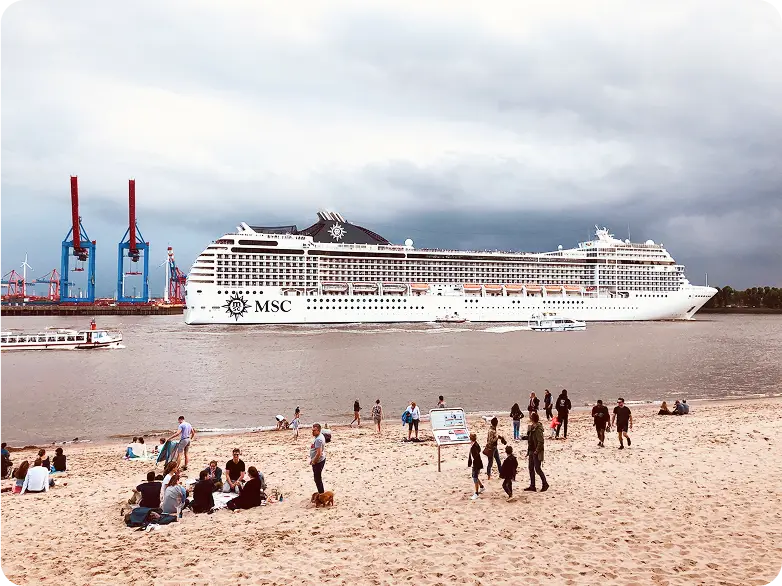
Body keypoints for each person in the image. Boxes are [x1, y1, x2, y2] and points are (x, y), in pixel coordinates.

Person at [524, 412, 548, 492]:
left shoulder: (538, 429)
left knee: (537, 469)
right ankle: (532, 486)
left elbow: (541, 441)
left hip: (536, 452)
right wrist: (525, 437)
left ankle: (545, 484)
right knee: (531, 468)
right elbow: (531, 438)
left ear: (532, 419)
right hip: (531, 450)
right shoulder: (532, 427)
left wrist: (536, 451)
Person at [467, 433, 485, 500]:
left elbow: (475, 456)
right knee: (475, 476)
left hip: (476, 464)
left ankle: (476, 493)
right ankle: (481, 487)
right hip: (476, 464)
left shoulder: (474, 446)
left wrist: (474, 465)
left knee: (475, 477)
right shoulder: (475, 444)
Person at [310, 423, 327, 495]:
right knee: (317, 478)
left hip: (318, 461)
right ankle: (321, 493)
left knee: (317, 479)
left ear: (318, 430)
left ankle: (321, 494)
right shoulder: (320, 436)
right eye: (312, 430)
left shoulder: (318, 439)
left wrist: (314, 461)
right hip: (320, 459)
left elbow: (319, 453)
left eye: (314, 430)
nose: (312, 432)